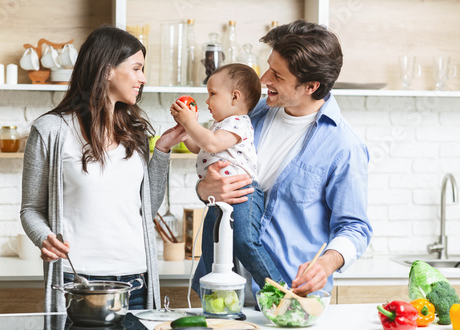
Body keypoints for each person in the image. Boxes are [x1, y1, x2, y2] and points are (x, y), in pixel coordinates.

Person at [193, 20, 373, 298]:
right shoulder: (248, 114)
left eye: (277, 75)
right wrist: (205, 190)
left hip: (289, 296)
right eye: (269, 67)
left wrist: (326, 263)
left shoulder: (343, 147)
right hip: (221, 288)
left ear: (311, 86)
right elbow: (213, 170)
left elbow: (355, 227)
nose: (264, 79)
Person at [20, 25, 186, 313]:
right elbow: (31, 209)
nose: (143, 78)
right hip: (78, 281)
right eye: (136, 68)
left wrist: (162, 151)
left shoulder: (134, 133)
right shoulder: (50, 130)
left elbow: (147, 208)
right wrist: (43, 237)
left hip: (136, 281)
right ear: (107, 70)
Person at [170, 63, 283, 288]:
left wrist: (190, 122)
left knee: (245, 241)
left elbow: (211, 144)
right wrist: (185, 132)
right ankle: (214, 301)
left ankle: (279, 289)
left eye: (212, 94)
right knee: (212, 249)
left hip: (243, 194)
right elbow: (198, 147)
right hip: (219, 199)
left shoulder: (239, 123)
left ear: (234, 97)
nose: (207, 100)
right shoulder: (218, 125)